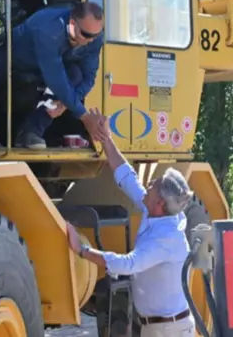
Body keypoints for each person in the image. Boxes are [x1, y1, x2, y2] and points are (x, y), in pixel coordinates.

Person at [65, 108, 196, 337]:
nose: (150, 183)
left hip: (168, 330)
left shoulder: (167, 238)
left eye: (155, 184)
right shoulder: (155, 210)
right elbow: (128, 178)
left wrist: (82, 250)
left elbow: (127, 264)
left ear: (160, 203)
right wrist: (106, 139)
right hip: (156, 326)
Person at [0, 1, 105, 149]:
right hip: (14, 59)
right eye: (86, 35)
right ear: (72, 23)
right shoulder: (49, 30)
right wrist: (83, 115)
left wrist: (67, 103)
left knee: (75, 75)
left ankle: (31, 132)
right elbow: (56, 78)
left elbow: (89, 78)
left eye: (96, 35)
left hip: (48, 66)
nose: (91, 40)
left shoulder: (94, 39)